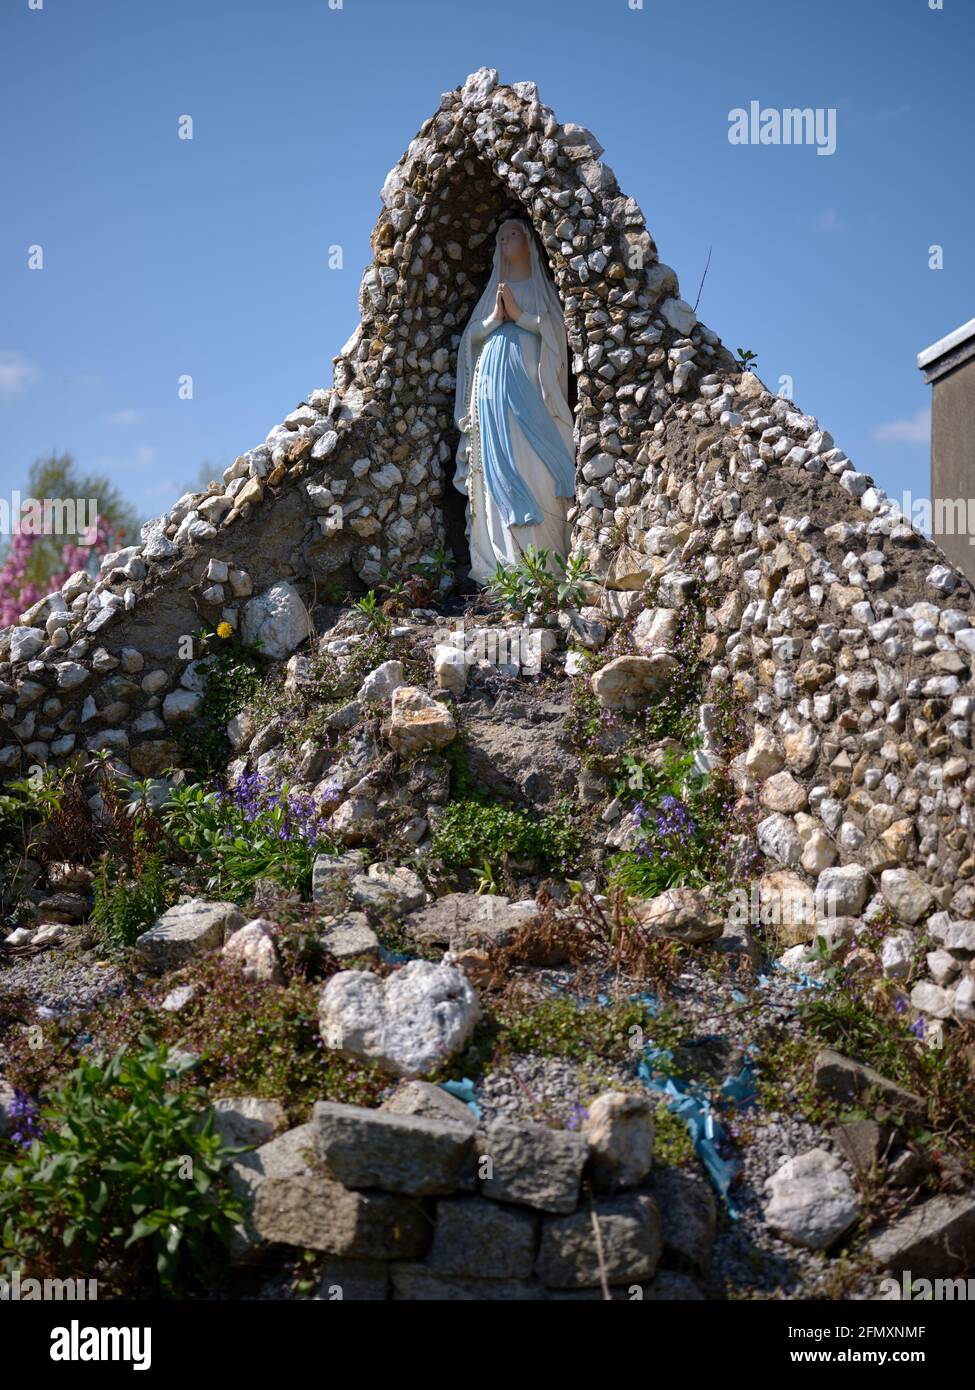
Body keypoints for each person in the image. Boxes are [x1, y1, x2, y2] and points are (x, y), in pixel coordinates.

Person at [453, 219, 575, 582]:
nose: (506, 239)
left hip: (532, 390)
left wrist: (521, 317)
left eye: (513, 234)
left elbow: (557, 332)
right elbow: (469, 340)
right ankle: (503, 569)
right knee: (495, 465)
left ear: (529, 242)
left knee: (534, 463)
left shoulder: (539, 289)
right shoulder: (493, 292)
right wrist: (495, 319)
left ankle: (546, 563)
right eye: (500, 235)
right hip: (489, 392)